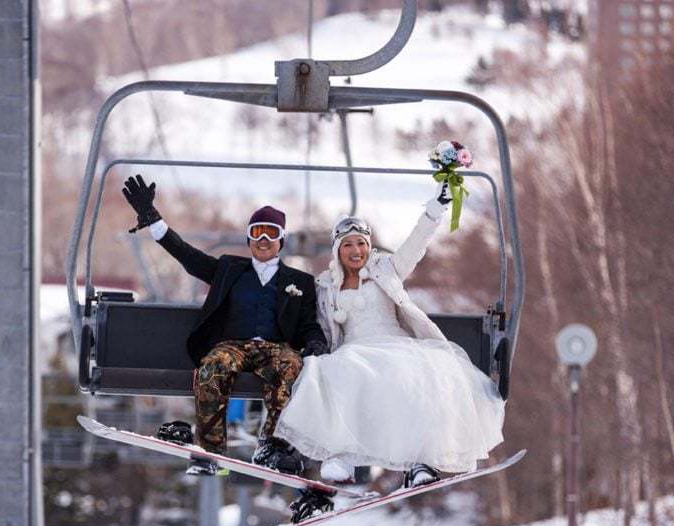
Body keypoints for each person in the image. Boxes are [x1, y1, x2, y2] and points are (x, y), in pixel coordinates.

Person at [274, 183, 506, 488]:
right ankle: (340, 455)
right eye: (348, 245)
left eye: (361, 244)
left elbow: (416, 245)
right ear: (337, 250)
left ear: (369, 247)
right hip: (355, 347)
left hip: (396, 342)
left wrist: (435, 209)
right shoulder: (327, 286)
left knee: (417, 374)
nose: (356, 251)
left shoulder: (387, 269)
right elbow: (318, 322)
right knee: (337, 371)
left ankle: (419, 462)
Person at [122, 174, 328, 476]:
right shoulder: (230, 269)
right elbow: (189, 257)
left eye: (271, 233)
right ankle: (210, 449)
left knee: (290, 366)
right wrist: (154, 221)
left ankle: (274, 445)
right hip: (234, 345)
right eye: (257, 232)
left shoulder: (300, 282)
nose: (263, 240)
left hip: (275, 347)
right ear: (248, 238)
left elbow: (308, 323)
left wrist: (315, 341)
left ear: (281, 241)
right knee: (212, 366)